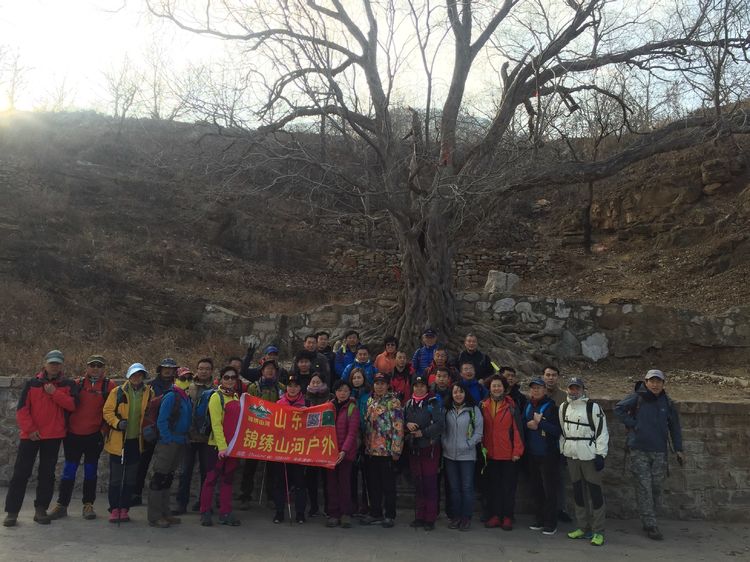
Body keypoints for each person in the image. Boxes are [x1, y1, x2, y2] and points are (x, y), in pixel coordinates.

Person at [4, 350, 76, 527]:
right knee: (20, 473)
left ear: (61, 365)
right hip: (31, 436)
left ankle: (41, 510)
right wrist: (30, 429)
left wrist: (54, 393)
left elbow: (72, 405)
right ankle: (12, 513)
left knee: (47, 475)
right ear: (45, 364)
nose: (54, 366)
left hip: (53, 435)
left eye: (57, 363)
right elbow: (22, 409)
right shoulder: (32, 383)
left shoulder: (68, 384)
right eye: (52, 363)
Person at [615, 369, 683, 541]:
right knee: (644, 487)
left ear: (663, 384)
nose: (655, 384)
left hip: (659, 451)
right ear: (646, 382)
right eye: (652, 381)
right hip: (639, 450)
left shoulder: (667, 402)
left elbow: (674, 427)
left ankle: (650, 517)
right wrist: (634, 424)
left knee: (656, 488)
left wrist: (678, 449)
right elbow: (619, 409)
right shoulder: (637, 397)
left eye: (658, 381)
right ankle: (650, 524)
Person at [49, 354, 116, 521]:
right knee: (68, 472)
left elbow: (112, 410)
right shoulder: (76, 384)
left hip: (94, 436)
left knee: (90, 472)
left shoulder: (109, 386)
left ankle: (88, 505)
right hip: (73, 435)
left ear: (103, 368)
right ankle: (62, 505)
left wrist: (104, 430)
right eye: (92, 365)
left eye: (99, 366)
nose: (95, 368)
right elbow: (66, 405)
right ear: (87, 367)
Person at [102, 363, 155, 523]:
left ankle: (124, 508)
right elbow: (107, 411)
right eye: (134, 374)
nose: (136, 378)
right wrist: (117, 423)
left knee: (131, 478)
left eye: (140, 375)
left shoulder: (149, 393)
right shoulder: (117, 392)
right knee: (116, 478)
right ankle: (114, 508)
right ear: (128, 376)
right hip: (119, 441)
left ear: (143, 376)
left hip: (136, 442)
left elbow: (150, 413)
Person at [560, 377, 609, 547]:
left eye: (577, 388)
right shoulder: (563, 407)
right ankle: (583, 527)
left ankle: (598, 531)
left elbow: (602, 431)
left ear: (582, 390)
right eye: (571, 388)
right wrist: (563, 450)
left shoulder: (593, 407)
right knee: (578, 492)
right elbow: (563, 431)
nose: (574, 391)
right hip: (572, 455)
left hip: (589, 455)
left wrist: (600, 454)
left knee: (595, 493)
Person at [147, 373, 193, 528]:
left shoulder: (185, 397)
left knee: (168, 478)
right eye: (183, 378)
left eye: (189, 379)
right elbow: (162, 420)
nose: (186, 381)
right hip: (169, 442)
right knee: (159, 477)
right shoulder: (172, 396)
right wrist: (167, 438)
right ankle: (155, 516)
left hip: (179, 440)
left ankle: (165, 512)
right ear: (175, 379)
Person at [132, 357, 178, 507]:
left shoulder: (177, 386)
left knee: (167, 467)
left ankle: (163, 498)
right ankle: (136, 494)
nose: (168, 371)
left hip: (169, 430)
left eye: (171, 368)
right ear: (160, 369)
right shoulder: (150, 386)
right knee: (143, 463)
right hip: (151, 430)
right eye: (165, 368)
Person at [360, 373, 404, 528]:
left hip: (387, 451)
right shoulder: (370, 401)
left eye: (382, 383)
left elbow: (398, 427)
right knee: (374, 484)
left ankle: (390, 515)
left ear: (387, 385)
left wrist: (396, 449)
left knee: (388, 485)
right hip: (371, 450)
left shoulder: (394, 402)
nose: (379, 386)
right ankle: (375, 512)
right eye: (377, 383)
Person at [199, 366, 241, 527]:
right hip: (216, 447)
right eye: (226, 377)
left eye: (233, 377)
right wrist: (222, 447)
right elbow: (216, 424)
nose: (230, 380)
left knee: (228, 480)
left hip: (232, 447)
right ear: (221, 379)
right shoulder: (216, 397)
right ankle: (205, 512)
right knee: (211, 479)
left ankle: (225, 512)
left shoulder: (236, 397)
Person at [481, 375, 524, 531]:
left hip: (508, 454)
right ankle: (495, 515)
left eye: (499, 386)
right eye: (494, 386)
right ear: (489, 388)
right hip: (490, 454)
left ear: (504, 388)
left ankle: (507, 516)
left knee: (508, 488)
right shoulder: (483, 405)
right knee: (493, 487)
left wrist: (517, 451)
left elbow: (518, 430)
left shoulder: (511, 407)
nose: (496, 388)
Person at [404, 375, 444, 531]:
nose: (419, 388)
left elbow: (440, 424)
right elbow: (401, 420)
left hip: (429, 448)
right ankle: (420, 516)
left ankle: (430, 517)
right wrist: (407, 424)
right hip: (414, 448)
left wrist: (424, 432)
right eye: (416, 385)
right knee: (418, 482)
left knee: (429, 483)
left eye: (422, 385)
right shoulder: (408, 404)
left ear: (427, 388)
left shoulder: (433, 403)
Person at [175, 357, 215, 514]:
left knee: (206, 472)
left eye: (207, 369)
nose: (204, 371)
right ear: (197, 370)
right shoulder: (188, 387)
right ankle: (181, 503)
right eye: (201, 368)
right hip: (189, 436)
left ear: (211, 371)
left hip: (207, 438)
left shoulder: (216, 389)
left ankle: (203, 503)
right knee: (185, 472)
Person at [442, 382, 484, 531]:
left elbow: (478, 433)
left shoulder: (474, 410)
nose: (458, 395)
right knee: (454, 488)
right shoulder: (447, 409)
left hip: (467, 456)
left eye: (461, 392)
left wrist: (468, 444)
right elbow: (443, 430)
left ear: (465, 393)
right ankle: (456, 516)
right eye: (455, 392)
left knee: (467, 488)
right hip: (449, 455)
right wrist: (445, 443)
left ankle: (466, 517)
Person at [524, 378, 561, 536]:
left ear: (545, 390)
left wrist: (540, 424)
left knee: (549, 490)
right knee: (536, 488)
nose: (536, 390)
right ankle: (539, 519)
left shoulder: (552, 407)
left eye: (539, 388)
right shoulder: (528, 405)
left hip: (548, 454)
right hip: (532, 453)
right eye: (533, 388)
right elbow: (523, 424)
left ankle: (550, 522)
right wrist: (527, 425)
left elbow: (557, 430)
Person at [326, 380, 360, 528]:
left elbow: (352, 433)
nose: (342, 393)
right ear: (335, 392)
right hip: (329, 452)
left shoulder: (352, 408)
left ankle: (345, 513)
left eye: (346, 390)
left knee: (344, 483)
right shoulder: (329, 406)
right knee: (331, 484)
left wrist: (344, 451)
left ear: (349, 392)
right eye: (340, 390)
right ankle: (333, 513)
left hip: (345, 454)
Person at [275, 375, 308, 523]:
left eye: (295, 386)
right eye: (290, 386)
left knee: (300, 483)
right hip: (282, 448)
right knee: (281, 482)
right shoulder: (278, 403)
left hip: (299, 449)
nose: (292, 389)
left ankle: (300, 513)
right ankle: (279, 512)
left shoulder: (306, 404)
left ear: (300, 388)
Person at [543, 364, 572, 523]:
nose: (550, 378)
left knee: (559, 478)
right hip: (541, 443)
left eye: (553, 375)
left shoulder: (564, 397)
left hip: (559, 443)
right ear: (543, 376)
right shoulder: (538, 393)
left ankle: (561, 509)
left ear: (558, 377)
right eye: (548, 375)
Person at [305, 373, 331, 518]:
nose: (315, 384)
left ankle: (328, 506)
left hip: (326, 443)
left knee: (327, 479)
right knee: (311, 479)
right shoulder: (306, 399)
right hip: (310, 445)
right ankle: (313, 506)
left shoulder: (330, 397)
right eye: (313, 382)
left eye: (318, 382)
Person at [349, 368, 371, 517]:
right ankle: (352, 504)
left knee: (366, 475)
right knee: (351, 474)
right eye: (354, 378)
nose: (357, 380)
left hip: (367, 436)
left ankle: (365, 504)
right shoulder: (348, 394)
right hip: (352, 437)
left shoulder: (369, 396)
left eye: (359, 377)